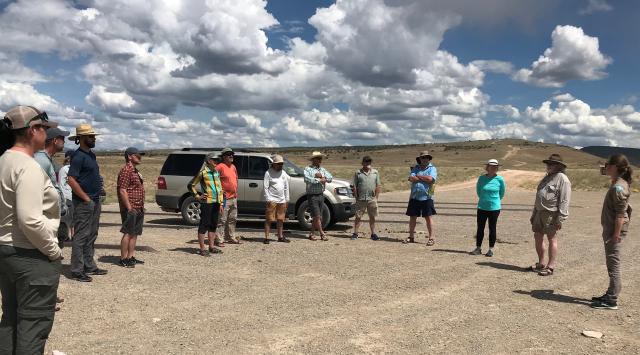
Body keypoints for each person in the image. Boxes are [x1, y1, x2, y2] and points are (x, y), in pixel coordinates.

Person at [0, 106, 64, 354]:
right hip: (30, 254)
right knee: (33, 323)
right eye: (44, 129)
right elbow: (30, 220)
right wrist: (53, 251)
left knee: (11, 320)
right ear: (33, 130)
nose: (47, 135)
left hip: (7, 251)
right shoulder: (27, 167)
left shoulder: (4, 160)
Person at [67, 123, 108, 282]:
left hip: (95, 200)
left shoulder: (91, 155)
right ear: (81, 138)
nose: (94, 139)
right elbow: (71, 180)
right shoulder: (78, 157)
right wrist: (85, 198)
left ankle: (89, 265)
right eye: (91, 137)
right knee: (81, 235)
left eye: (94, 136)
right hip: (84, 202)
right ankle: (77, 269)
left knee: (92, 233)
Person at [591, 155, 633, 310]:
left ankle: (612, 299)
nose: (605, 167)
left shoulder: (618, 187)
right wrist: (606, 168)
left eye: (608, 165)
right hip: (612, 229)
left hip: (614, 231)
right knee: (612, 263)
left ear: (615, 167)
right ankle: (610, 293)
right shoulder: (619, 182)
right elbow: (604, 172)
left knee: (613, 264)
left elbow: (620, 214)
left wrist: (615, 235)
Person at [530, 154, 571, 276]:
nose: (548, 166)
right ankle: (541, 263)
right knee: (538, 236)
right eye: (548, 163)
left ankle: (550, 266)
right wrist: (534, 213)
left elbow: (564, 200)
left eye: (552, 164)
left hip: (551, 213)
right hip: (539, 212)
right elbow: (539, 197)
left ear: (559, 166)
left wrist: (560, 218)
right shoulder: (546, 177)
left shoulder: (562, 179)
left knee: (551, 238)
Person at [34, 127, 70, 244]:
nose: (64, 142)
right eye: (62, 139)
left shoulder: (46, 159)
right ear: (55, 141)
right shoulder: (41, 161)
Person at [189, 153, 224, 256]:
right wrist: (197, 196)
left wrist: (221, 203)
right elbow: (191, 185)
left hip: (216, 202)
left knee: (213, 224)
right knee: (204, 224)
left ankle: (211, 247)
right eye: (214, 159)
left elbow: (220, 188)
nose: (216, 161)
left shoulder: (216, 172)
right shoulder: (203, 173)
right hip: (207, 202)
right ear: (208, 161)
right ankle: (202, 248)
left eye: (217, 160)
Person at [117, 147, 146, 268]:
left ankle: (130, 256)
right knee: (128, 233)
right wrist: (129, 207)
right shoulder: (126, 170)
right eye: (137, 155)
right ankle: (123, 258)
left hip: (138, 206)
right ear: (129, 156)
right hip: (131, 207)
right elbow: (122, 190)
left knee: (134, 233)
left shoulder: (134, 170)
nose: (140, 157)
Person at [470, 159, 506, 257]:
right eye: (491, 166)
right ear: (487, 167)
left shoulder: (500, 179)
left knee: (492, 228)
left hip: (494, 208)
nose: (493, 168)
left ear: (497, 168)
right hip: (482, 207)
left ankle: (491, 249)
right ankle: (478, 248)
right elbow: (478, 191)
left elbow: (502, 193)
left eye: (495, 166)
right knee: (480, 228)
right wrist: (484, 200)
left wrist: (494, 201)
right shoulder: (481, 178)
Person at [405, 151, 438, 246]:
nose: (425, 159)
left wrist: (418, 176)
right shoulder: (416, 168)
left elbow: (430, 179)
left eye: (426, 157)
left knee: (428, 217)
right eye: (423, 158)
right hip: (414, 196)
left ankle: (431, 238)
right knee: (412, 217)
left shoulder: (432, 168)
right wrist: (424, 178)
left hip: (427, 196)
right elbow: (411, 178)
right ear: (420, 159)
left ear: (429, 158)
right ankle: (411, 236)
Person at [304, 151, 333, 241]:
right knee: (317, 216)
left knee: (318, 216)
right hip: (312, 195)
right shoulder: (308, 169)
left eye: (320, 158)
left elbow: (330, 178)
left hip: (320, 194)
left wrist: (322, 177)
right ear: (313, 159)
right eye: (318, 158)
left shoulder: (322, 170)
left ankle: (312, 233)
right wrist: (319, 179)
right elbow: (307, 179)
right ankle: (322, 233)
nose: (320, 160)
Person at [351, 156, 382, 241]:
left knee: (372, 217)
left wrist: (376, 198)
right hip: (361, 199)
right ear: (362, 163)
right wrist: (356, 197)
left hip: (371, 199)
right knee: (358, 216)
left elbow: (378, 185)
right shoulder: (358, 173)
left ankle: (373, 234)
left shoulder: (375, 172)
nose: (367, 163)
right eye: (366, 161)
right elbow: (354, 186)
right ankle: (355, 233)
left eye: (369, 162)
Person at [263, 154, 291, 244]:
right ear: (274, 164)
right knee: (269, 219)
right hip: (272, 200)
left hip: (282, 200)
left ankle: (280, 236)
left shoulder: (283, 173)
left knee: (280, 219)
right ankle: (267, 237)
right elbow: (265, 187)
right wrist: (268, 199)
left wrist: (287, 199)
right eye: (279, 164)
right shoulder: (268, 173)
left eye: (281, 164)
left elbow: (286, 187)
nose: (280, 165)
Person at [216, 148, 240, 245]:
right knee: (222, 219)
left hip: (233, 197)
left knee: (232, 219)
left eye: (232, 154)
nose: (231, 156)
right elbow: (214, 181)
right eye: (228, 154)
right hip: (224, 198)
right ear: (223, 156)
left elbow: (236, 179)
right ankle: (219, 239)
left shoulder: (233, 167)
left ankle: (230, 237)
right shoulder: (220, 167)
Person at [58, 150, 75, 240]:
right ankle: (70, 235)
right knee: (70, 218)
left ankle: (67, 235)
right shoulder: (66, 169)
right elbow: (62, 184)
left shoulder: (63, 169)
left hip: (67, 195)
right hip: (68, 196)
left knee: (68, 218)